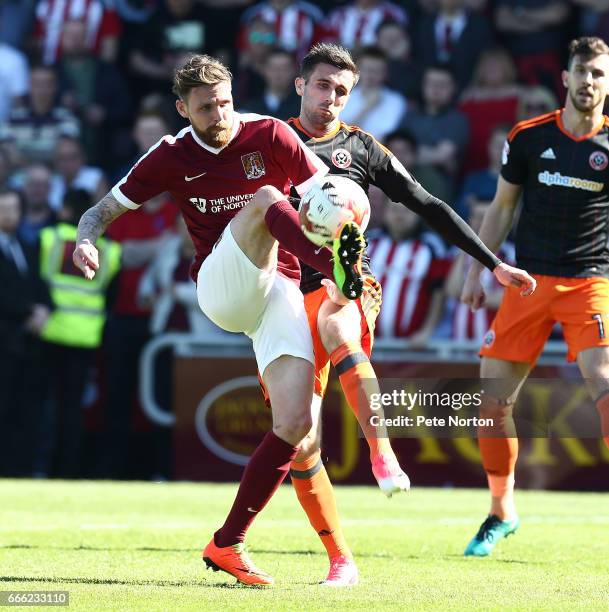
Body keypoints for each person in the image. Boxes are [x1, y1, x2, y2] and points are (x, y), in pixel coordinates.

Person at [72, 53, 367, 586]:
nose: (220, 114)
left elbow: (331, 196)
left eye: (226, 101)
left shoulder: (272, 134)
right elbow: (99, 212)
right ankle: (338, 273)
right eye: (206, 107)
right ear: (182, 109)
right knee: (266, 198)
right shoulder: (168, 155)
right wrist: (86, 239)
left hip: (277, 288)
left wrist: (349, 206)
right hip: (221, 285)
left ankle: (226, 543)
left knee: (296, 426)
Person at [285, 42, 536, 585]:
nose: (331, 99)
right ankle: (340, 559)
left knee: (337, 321)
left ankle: (381, 451)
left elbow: (430, 206)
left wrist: (491, 262)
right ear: (300, 85)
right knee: (299, 435)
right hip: (282, 293)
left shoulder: (363, 148)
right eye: (323, 86)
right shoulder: (269, 141)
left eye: (343, 92)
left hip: (347, 279)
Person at [460, 36, 609, 557]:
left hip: (591, 280)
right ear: (565, 78)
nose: (589, 81)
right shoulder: (527, 137)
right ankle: (502, 509)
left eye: (598, 73)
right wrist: (477, 266)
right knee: (491, 403)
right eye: (581, 72)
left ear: (606, 83)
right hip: (526, 280)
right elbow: (501, 209)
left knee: (605, 380)